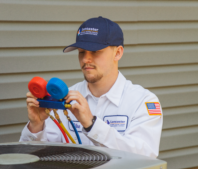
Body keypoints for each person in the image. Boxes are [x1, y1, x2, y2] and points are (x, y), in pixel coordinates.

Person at [20, 16, 163, 158]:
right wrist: (36, 127)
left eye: (95, 51)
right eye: (81, 52)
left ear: (117, 53)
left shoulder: (143, 101)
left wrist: (92, 124)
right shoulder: (65, 98)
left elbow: (145, 156)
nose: (85, 59)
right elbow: (35, 158)